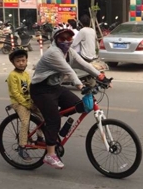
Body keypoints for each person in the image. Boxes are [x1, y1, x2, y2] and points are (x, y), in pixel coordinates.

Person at [30, 27, 109, 169]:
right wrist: (80, 85)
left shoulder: (70, 52)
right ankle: (50, 154)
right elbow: (69, 71)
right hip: (41, 90)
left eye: (69, 38)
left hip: (55, 87)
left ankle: (52, 125)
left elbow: (85, 65)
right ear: (56, 40)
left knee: (78, 105)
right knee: (54, 119)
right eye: (62, 38)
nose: (67, 41)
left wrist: (102, 77)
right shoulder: (53, 53)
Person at [6, 47, 43, 162]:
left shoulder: (26, 74)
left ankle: (40, 138)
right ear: (13, 63)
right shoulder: (12, 75)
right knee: (25, 121)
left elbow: (30, 88)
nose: (21, 63)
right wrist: (27, 104)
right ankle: (22, 147)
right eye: (18, 61)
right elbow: (16, 93)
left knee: (43, 116)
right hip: (18, 103)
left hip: (28, 101)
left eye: (23, 60)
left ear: (26, 60)